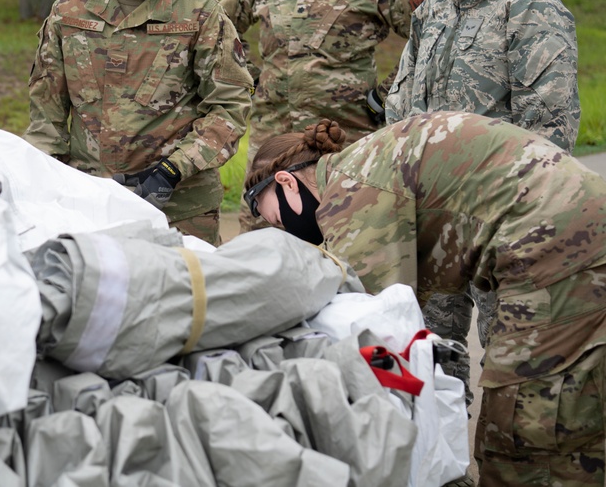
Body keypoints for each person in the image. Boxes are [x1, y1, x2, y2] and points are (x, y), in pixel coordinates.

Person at [243, 112, 606, 486]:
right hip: (571, 229)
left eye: (277, 220)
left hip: (556, 248)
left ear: (286, 182)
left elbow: (376, 331)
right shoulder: (364, 165)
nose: (287, 230)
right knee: (576, 416)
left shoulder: (349, 196)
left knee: (523, 435)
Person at [385, 0, 582, 400]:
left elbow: (551, 133)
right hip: (432, 224)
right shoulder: (431, 12)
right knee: (430, 362)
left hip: (502, 224)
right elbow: (401, 109)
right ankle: (447, 475)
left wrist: (505, 217)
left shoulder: (534, 12)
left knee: (513, 373)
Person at [24, 0, 253, 245]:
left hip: (180, 209)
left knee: (188, 296)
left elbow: (229, 108)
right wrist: (43, 181)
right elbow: (47, 113)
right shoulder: (71, 10)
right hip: (91, 202)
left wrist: (174, 169)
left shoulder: (200, 14)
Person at [219, 0, 424, 232]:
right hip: (273, 145)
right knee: (264, 240)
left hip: (343, 143)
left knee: (349, 237)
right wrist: (250, 78)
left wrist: (390, 92)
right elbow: (217, 28)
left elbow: (433, 32)